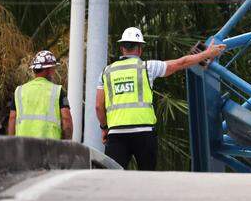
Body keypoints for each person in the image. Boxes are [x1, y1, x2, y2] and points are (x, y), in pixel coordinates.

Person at [97, 27, 226, 170]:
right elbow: (180, 63)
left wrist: (104, 128)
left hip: (117, 134)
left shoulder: (106, 72)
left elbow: (98, 106)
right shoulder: (147, 67)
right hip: (144, 133)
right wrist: (207, 53)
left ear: (122, 48)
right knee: (147, 179)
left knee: (113, 180)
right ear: (140, 49)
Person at [8, 50, 73, 140]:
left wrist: (11, 143)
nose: (54, 72)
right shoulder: (57, 91)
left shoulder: (19, 91)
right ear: (49, 70)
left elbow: (12, 118)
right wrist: (66, 143)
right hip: (49, 147)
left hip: (23, 146)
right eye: (53, 69)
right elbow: (66, 119)